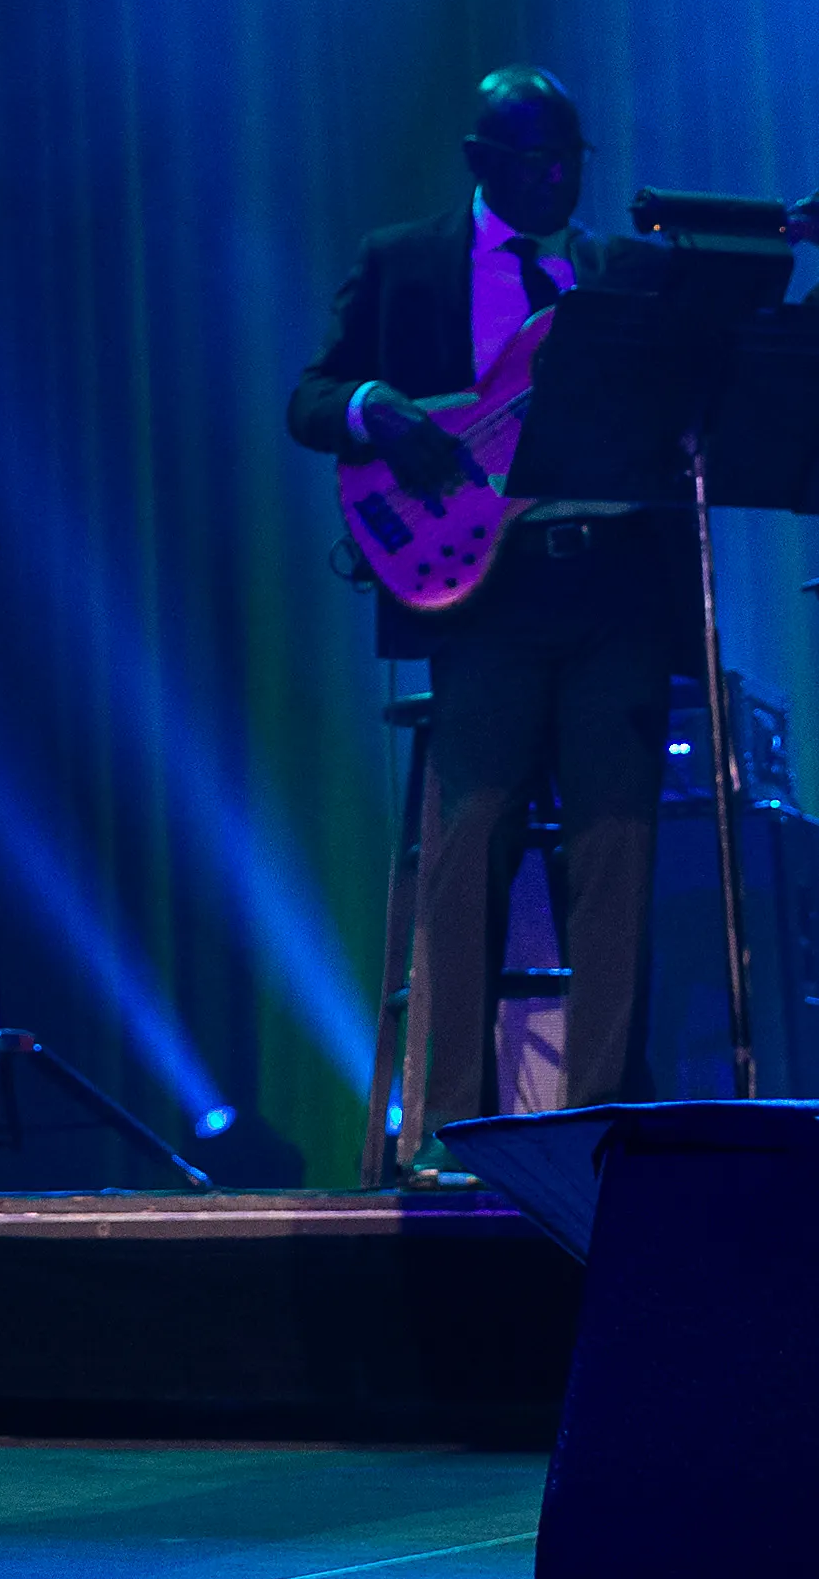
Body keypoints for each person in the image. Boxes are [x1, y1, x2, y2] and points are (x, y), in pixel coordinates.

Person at [290, 70, 686, 1183]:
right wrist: (381, 409)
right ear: (479, 159)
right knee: (471, 848)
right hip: (481, 593)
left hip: (611, 582)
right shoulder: (404, 258)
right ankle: (455, 1129)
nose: (555, 176)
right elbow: (310, 396)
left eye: (570, 156)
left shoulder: (620, 271)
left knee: (618, 847)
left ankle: (606, 1122)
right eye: (530, 158)